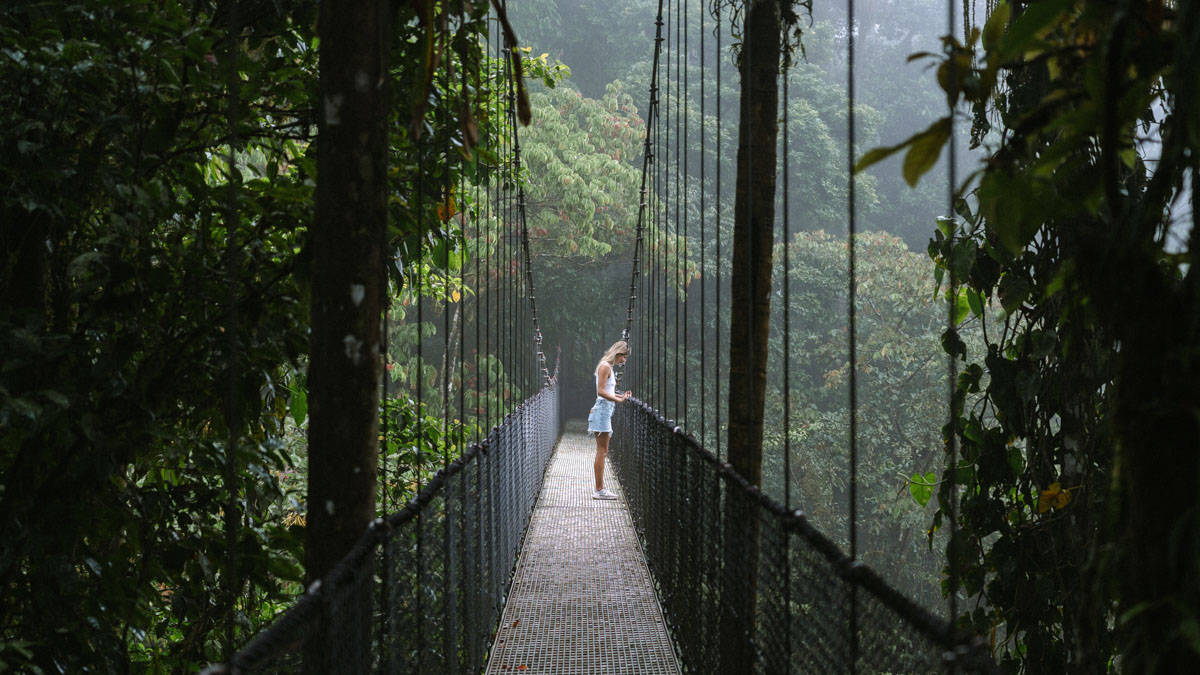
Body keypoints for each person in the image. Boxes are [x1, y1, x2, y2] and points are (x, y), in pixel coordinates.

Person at [587, 340, 632, 500]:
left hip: (604, 412)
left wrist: (621, 396)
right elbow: (600, 392)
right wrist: (618, 400)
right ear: (618, 353)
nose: (624, 361)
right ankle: (599, 490)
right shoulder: (605, 366)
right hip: (602, 412)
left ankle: (600, 489)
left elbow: (608, 390)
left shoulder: (608, 367)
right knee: (602, 451)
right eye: (624, 357)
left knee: (602, 451)